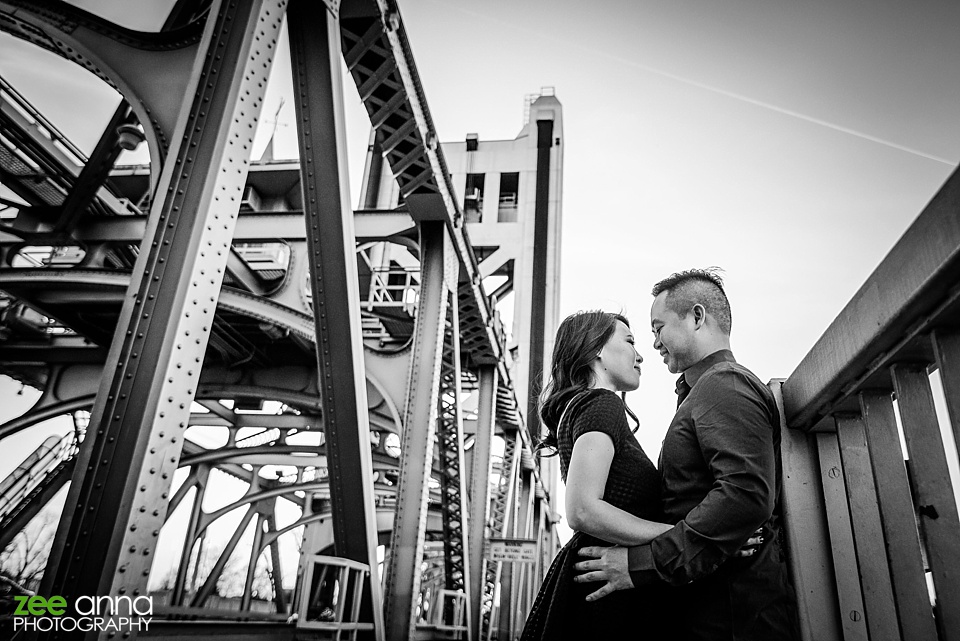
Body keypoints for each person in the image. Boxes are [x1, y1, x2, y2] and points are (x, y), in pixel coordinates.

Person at [574, 269, 799, 640]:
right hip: (711, 608)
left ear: (697, 317)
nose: (654, 344)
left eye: (658, 328)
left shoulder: (724, 384)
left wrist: (641, 565)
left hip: (733, 616)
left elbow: (745, 496)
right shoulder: (702, 392)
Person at [520, 310, 676, 640]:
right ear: (596, 350)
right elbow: (582, 509)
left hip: (597, 584)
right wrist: (680, 537)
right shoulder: (601, 404)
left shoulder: (577, 409)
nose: (641, 355)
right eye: (630, 341)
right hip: (607, 596)